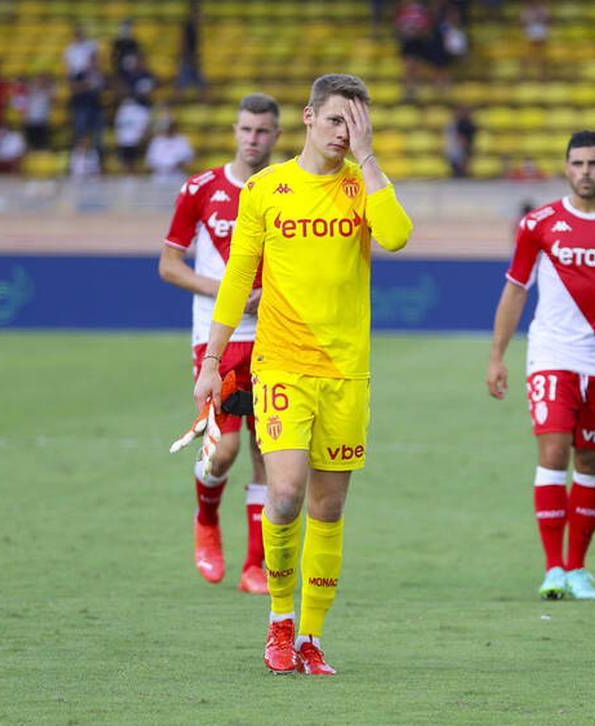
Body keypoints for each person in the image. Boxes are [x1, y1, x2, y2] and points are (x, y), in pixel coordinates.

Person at [193, 74, 412, 675]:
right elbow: (239, 278)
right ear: (311, 118)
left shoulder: (362, 186)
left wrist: (368, 161)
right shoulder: (267, 189)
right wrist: (212, 362)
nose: (348, 133)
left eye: (359, 124)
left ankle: (311, 637)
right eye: (339, 121)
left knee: (329, 509)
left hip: (346, 372)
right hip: (282, 362)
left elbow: (395, 235)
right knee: (285, 495)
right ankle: (279, 623)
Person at [486, 130, 595, 602]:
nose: (586, 172)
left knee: (590, 462)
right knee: (553, 451)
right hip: (551, 356)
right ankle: (553, 568)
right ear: (566, 168)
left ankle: (579, 568)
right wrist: (498, 355)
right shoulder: (539, 225)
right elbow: (515, 289)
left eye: (594, 164)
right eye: (578, 164)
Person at [159, 93, 283, 595]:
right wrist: (230, 294)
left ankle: (254, 565)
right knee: (225, 448)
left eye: (263, 131)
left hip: (277, 338)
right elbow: (168, 266)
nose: (253, 139)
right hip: (219, 337)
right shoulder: (201, 189)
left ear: (277, 134)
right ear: (235, 131)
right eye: (246, 130)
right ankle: (206, 517)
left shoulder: (286, 188)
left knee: (268, 450)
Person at [145, 118, 195, 184]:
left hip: (177, 176)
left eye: (170, 127)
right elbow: (150, 160)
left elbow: (189, 157)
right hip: (159, 177)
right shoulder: (156, 141)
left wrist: (179, 164)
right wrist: (162, 167)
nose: (168, 130)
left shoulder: (182, 140)